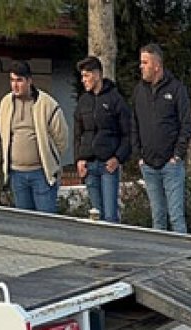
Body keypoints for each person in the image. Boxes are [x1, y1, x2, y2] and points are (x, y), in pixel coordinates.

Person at [133, 43, 191, 233]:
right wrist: (139, 156)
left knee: (176, 217)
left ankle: (182, 259)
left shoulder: (176, 89)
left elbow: (186, 125)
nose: (141, 66)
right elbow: (133, 124)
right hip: (149, 165)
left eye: (145, 62)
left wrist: (177, 155)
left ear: (156, 65)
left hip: (171, 165)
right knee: (157, 219)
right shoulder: (139, 91)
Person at [0, 61, 68, 213]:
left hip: (41, 173)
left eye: (19, 80)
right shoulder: (5, 103)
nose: (15, 85)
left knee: (46, 222)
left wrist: (50, 160)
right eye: (12, 80)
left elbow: (61, 138)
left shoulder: (47, 104)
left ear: (29, 81)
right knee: (24, 224)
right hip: (16, 174)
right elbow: (2, 133)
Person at [73, 56, 132, 223]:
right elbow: (78, 133)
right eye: (82, 76)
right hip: (89, 165)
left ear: (97, 75)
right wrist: (78, 158)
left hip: (108, 166)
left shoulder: (115, 99)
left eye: (87, 76)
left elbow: (127, 133)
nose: (83, 80)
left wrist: (118, 158)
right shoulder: (83, 101)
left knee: (110, 216)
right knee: (95, 216)